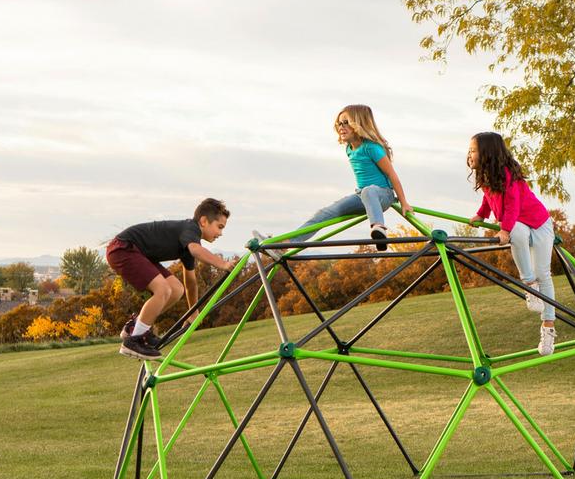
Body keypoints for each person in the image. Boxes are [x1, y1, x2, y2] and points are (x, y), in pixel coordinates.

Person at [254, 104, 412, 258]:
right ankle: (285, 245)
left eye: (346, 123)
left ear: (359, 124)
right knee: (325, 213)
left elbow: (392, 175)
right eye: (339, 123)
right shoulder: (349, 148)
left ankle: (379, 229)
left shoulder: (372, 148)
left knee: (368, 190)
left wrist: (404, 202)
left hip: (382, 195)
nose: (341, 127)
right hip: (361, 196)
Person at [106, 198, 235, 359]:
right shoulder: (190, 228)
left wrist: (193, 312)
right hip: (123, 248)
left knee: (176, 289)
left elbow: (190, 282)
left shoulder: (189, 243)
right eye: (219, 227)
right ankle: (134, 340)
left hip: (138, 253)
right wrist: (223, 264)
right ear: (203, 221)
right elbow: (196, 250)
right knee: (163, 289)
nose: (220, 233)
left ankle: (135, 326)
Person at [467, 132, 557, 356]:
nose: (469, 154)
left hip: (539, 223)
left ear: (487, 153)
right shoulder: (485, 176)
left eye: (473, 150)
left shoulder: (508, 174)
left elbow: (513, 204)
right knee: (516, 230)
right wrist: (481, 214)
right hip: (519, 224)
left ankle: (548, 328)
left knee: (543, 272)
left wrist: (504, 229)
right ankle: (529, 284)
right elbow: (488, 198)